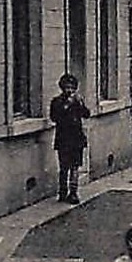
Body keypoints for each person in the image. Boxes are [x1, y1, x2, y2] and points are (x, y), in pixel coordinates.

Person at [50, 72, 91, 203]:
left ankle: (73, 193)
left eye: (72, 87)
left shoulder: (77, 101)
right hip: (63, 139)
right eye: (67, 87)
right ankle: (62, 192)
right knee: (63, 167)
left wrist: (80, 104)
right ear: (62, 88)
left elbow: (86, 114)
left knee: (75, 166)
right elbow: (54, 118)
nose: (70, 90)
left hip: (77, 138)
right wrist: (66, 106)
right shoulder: (56, 102)